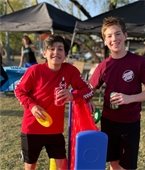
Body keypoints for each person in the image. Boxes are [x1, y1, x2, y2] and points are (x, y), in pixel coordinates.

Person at [15, 34, 93, 170]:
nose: (56, 52)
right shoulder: (35, 71)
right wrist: (32, 106)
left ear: (65, 54)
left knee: (62, 165)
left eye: (60, 49)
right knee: (30, 165)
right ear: (44, 53)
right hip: (32, 128)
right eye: (51, 49)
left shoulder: (70, 70)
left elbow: (88, 90)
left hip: (55, 130)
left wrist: (72, 95)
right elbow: (19, 90)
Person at [89, 17, 145, 170]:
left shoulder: (139, 62)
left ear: (125, 35)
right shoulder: (103, 66)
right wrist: (89, 100)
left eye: (118, 34)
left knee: (127, 166)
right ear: (105, 40)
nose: (114, 39)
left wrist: (129, 98)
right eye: (109, 36)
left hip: (130, 124)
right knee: (113, 163)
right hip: (108, 122)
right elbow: (88, 90)